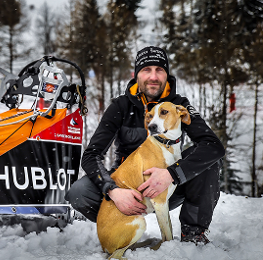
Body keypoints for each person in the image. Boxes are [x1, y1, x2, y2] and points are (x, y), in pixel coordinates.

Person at [65, 46, 225, 244]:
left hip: (169, 186)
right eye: (146, 70)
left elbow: (213, 146)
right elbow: (91, 155)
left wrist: (172, 174)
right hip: (127, 187)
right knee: (79, 193)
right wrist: (113, 190)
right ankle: (119, 228)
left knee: (209, 161)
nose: (153, 76)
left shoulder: (178, 104)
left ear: (166, 74)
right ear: (137, 74)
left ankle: (193, 233)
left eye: (159, 70)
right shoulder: (121, 106)